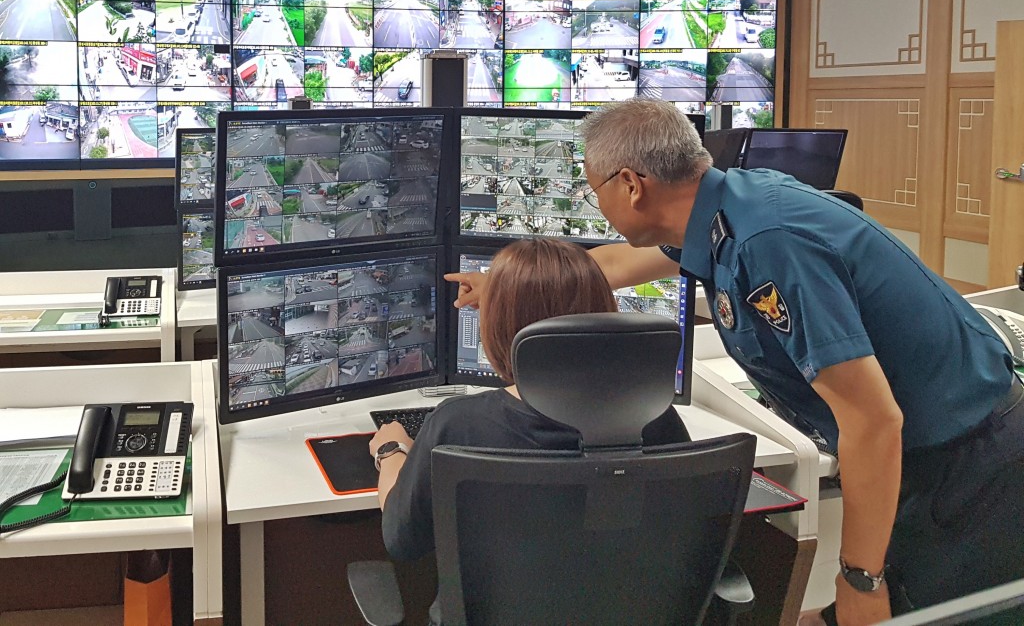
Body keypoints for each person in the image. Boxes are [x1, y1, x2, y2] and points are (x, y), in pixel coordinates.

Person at [447, 99, 1024, 626]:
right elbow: (622, 263)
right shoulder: (728, 205)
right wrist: (502, 282)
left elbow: (874, 421)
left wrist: (859, 579)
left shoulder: (766, 242)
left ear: (630, 185)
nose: (594, 203)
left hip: (972, 472)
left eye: (592, 188)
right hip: (932, 459)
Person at [370, 238, 688, 608]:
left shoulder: (459, 425)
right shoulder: (656, 417)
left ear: (501, 328)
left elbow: (402, 539)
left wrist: (391, 451)